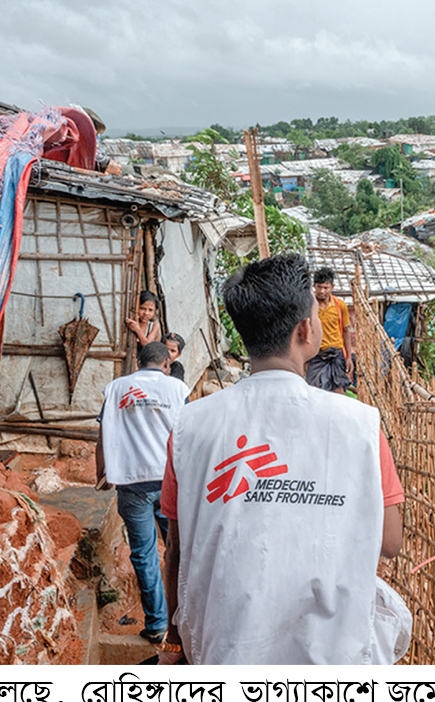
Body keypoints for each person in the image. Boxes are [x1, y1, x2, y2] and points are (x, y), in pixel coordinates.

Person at [159, 253, 410, 664]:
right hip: (335, 657)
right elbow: (390, 542)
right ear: (306, 330)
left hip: (224, 651)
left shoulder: (191, 426)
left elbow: (177, 550)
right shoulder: (360, 425)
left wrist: (174, 638)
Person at [95, 341, 189, 645]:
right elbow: (189, 435)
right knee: (182, 550)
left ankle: (157, 624)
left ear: (138, 362)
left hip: (131, 483)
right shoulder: (177, 389)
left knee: (144, 555)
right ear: (165, 364)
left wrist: (103, 472)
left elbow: (102, 435)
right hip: (170, 482)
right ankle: (188, 619)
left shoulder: (116, 388)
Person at [304, 267, 354, 394]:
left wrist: (348, 357)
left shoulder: (339, 305)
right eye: (319, 287)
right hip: (316, 354)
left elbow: (346, 331)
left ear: (332, 287)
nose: (322, 291)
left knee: (339, 392)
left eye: (326, 288)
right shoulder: (308, 305)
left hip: (336, 354)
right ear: (314, 285)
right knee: (315, 392)